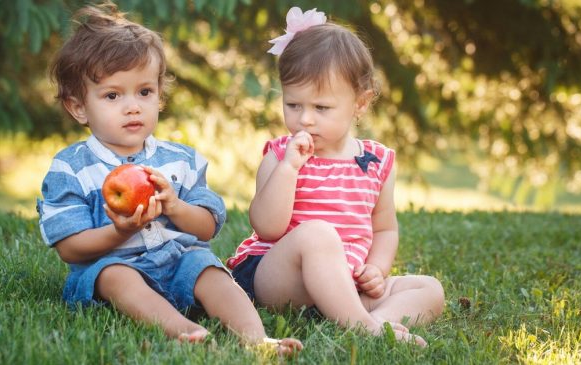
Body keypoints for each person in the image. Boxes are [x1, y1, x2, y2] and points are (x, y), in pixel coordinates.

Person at [37, 3, 302, 355]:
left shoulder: (181, 160)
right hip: (115, 266)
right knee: (114, 276)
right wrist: (119, 232)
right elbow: (68, 246)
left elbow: (207, 227)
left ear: (160, 96)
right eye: (113, 95)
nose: (133, 106)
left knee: (209, 268)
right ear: (78, 106)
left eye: (144, 92)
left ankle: (257, 339)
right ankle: (184, 330)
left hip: (178, 261)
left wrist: (176, 207)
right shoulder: (71, 167)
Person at [226, 7, 444, 346]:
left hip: (347, 282)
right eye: (293, 105)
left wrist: (376, 269)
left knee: (429, 289)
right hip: (279, 278)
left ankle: (376, 322)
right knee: (318, 234)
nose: (305, 120)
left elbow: (384, 229)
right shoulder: (280, 154)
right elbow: (266, 226)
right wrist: (288, 169)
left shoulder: (377, 162)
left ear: (360, 103)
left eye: (321, 108)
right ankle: (362, 326)